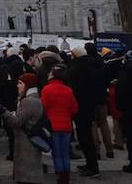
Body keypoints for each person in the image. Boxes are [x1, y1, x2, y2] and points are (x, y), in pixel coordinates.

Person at [0, 73, 44, 184]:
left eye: (20, 83)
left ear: (28, 85)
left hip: (26, 144)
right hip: (30, 143)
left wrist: (3, 112)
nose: (18, 86)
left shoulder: (28, 101)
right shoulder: (35, 99)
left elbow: (17, 121)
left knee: (26, 176)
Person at [66, 46, 100, 177]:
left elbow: (71, 89)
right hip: (89, 106)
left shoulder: (75, 70)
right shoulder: (91, 67)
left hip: (79, 107)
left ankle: (92, 167)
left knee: (85, 138)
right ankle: (90, 164)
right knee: (87, 137)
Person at [42, 65, 78, 184]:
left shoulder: (46, 89)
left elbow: (44, 107)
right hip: (66, 125)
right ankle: (66, 177)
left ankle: (59, 176)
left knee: (57, 153)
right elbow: (74, 109)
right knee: (65, 152)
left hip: (53, 125)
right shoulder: (68, 90)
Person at [0, 48, 24, 161]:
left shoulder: (4, 67)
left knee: (11, 130)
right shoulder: (23, 66)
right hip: (21, 101)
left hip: (6, 103)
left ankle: (12, 153)